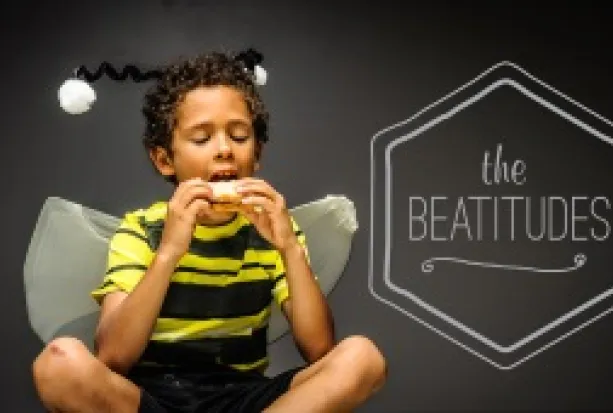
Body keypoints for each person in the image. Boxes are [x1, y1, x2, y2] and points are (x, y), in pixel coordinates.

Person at [32, 49, 387, 413]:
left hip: (244, 396)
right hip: (153, 398)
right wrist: (169, 250)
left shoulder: (274, 230)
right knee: (58, 362)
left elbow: (319, 350)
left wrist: (290, 248)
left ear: (258, 151)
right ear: (164, 159)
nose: (223, 150)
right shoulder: (142, 230)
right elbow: (113, 357)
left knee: (363, 357)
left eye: (239, 135)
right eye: (201, 139)